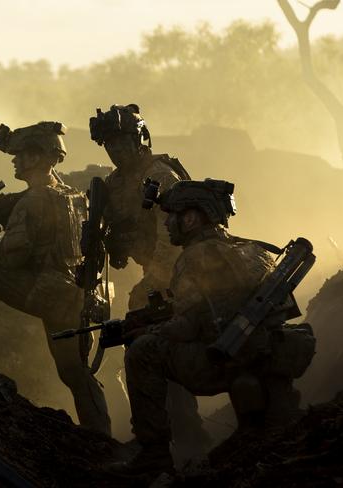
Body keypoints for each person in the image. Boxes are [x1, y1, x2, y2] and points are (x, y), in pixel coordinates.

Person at [109, 179, 315, 476]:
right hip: (266, 352)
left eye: (172, 216)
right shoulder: (252, 249)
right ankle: (261, 425)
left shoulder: (194, 257)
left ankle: (153, 454)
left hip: (224, 360)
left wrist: (148, 332)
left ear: (191, 218)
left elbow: (189, 326)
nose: (167, 223)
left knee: (142, 352)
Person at [0, 121, 111, 436]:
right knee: (75, 373)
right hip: (72, 295)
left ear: (38, 157)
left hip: (46, 291)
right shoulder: (72, 195)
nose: (15, 160)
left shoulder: (32, 201)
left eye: (21, 154)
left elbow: (13, 258)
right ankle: (101, 434)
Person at [89, 104, 209, 457]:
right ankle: (169, 435)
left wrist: (151, 282)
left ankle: (183, 435)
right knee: (151, 349)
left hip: (183, 276)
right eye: (109, 144)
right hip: (155, 276)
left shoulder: (160, 175)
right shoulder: (116, 182)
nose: (115, 150)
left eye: (122, 141)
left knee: (157, 349)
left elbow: (171, 239)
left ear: (139, 139)